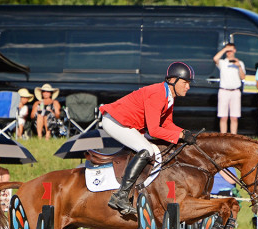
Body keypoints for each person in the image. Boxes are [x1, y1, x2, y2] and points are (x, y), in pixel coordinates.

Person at [100, 61, 197, 215]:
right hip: (115, 121)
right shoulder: (158, 93)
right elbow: (153, 130)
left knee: (152, 148)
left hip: (127, 124)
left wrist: (185, 133)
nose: (188, 87)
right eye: (185, 82)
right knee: (146, 149)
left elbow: (167, 124)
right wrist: (178, 135)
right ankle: (121, 195)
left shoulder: (168, 96)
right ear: (172, 80)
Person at [213, 43, 245, 134]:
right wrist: (225, 49)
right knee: (223, 117)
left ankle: (233, 137)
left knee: (234, 117)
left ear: (234, 50)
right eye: (227, 51)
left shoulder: (240, 63)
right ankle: (223, 137)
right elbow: (215, 59)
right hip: (224, 91)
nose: (229, 53)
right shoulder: (223, 62)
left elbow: (243, 77)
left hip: (235, 91)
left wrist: (238, 66)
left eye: (231, 50)